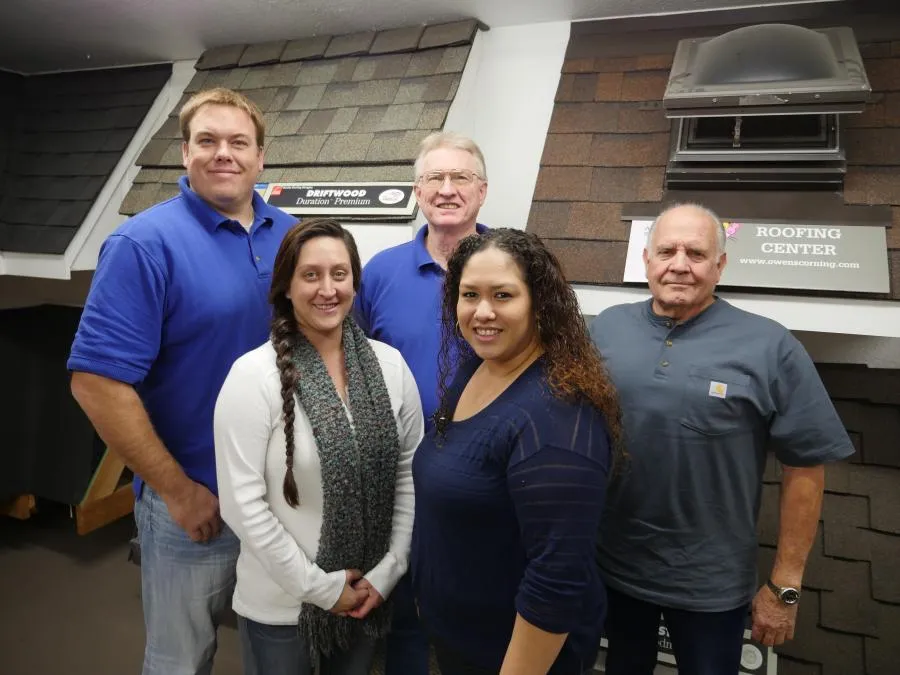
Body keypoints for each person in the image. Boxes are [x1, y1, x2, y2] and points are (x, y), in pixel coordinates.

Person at [67, 87, 296, 675]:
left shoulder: (293, 238)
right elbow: (96, 383)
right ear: (185, 153)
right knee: (180, 659)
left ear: (261, 156)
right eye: (208, 141)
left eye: (238, 142)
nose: (224, 153)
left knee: (280, 651)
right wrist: (176, 490)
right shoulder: (143, 246)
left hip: (283, 504)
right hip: (198, 508)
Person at [589, 203, 854, 675]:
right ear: (647, 259)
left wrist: (785, 585)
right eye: (666, 250)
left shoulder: (770, 346)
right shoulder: (606, 328)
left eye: (696, 253)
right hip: (612, 570)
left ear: (720, 265)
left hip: (710, 588)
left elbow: (806, 466)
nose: (679, 264)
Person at [213, 219, 424, 675]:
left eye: (340, 274)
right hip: (282, 608)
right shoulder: (253, 379)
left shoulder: (391, 368)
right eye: (310, 275)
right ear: (286, 286)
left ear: (354, 283)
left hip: (367, 600)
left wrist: (386, 573)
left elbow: (407, 476)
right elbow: (241, 506)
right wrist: (321, 587)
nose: (327, 289)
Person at [412, 228, 623, 675]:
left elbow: (557, 579)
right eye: (469, 294)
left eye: (503, 295)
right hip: (458, 642)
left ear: (538, 304)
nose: (482, 311)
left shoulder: (559, 417)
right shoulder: (475, 368)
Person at [354, 131, 489, 673]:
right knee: (404, 610)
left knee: (481, 607)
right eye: (435, 177)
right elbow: (355, 366)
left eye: (461, 178)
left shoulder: (516, 262)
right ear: (417, 190)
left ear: (483, 191)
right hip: (400, 474)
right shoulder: (381, 272)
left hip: (487, 474)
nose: (448, 189)